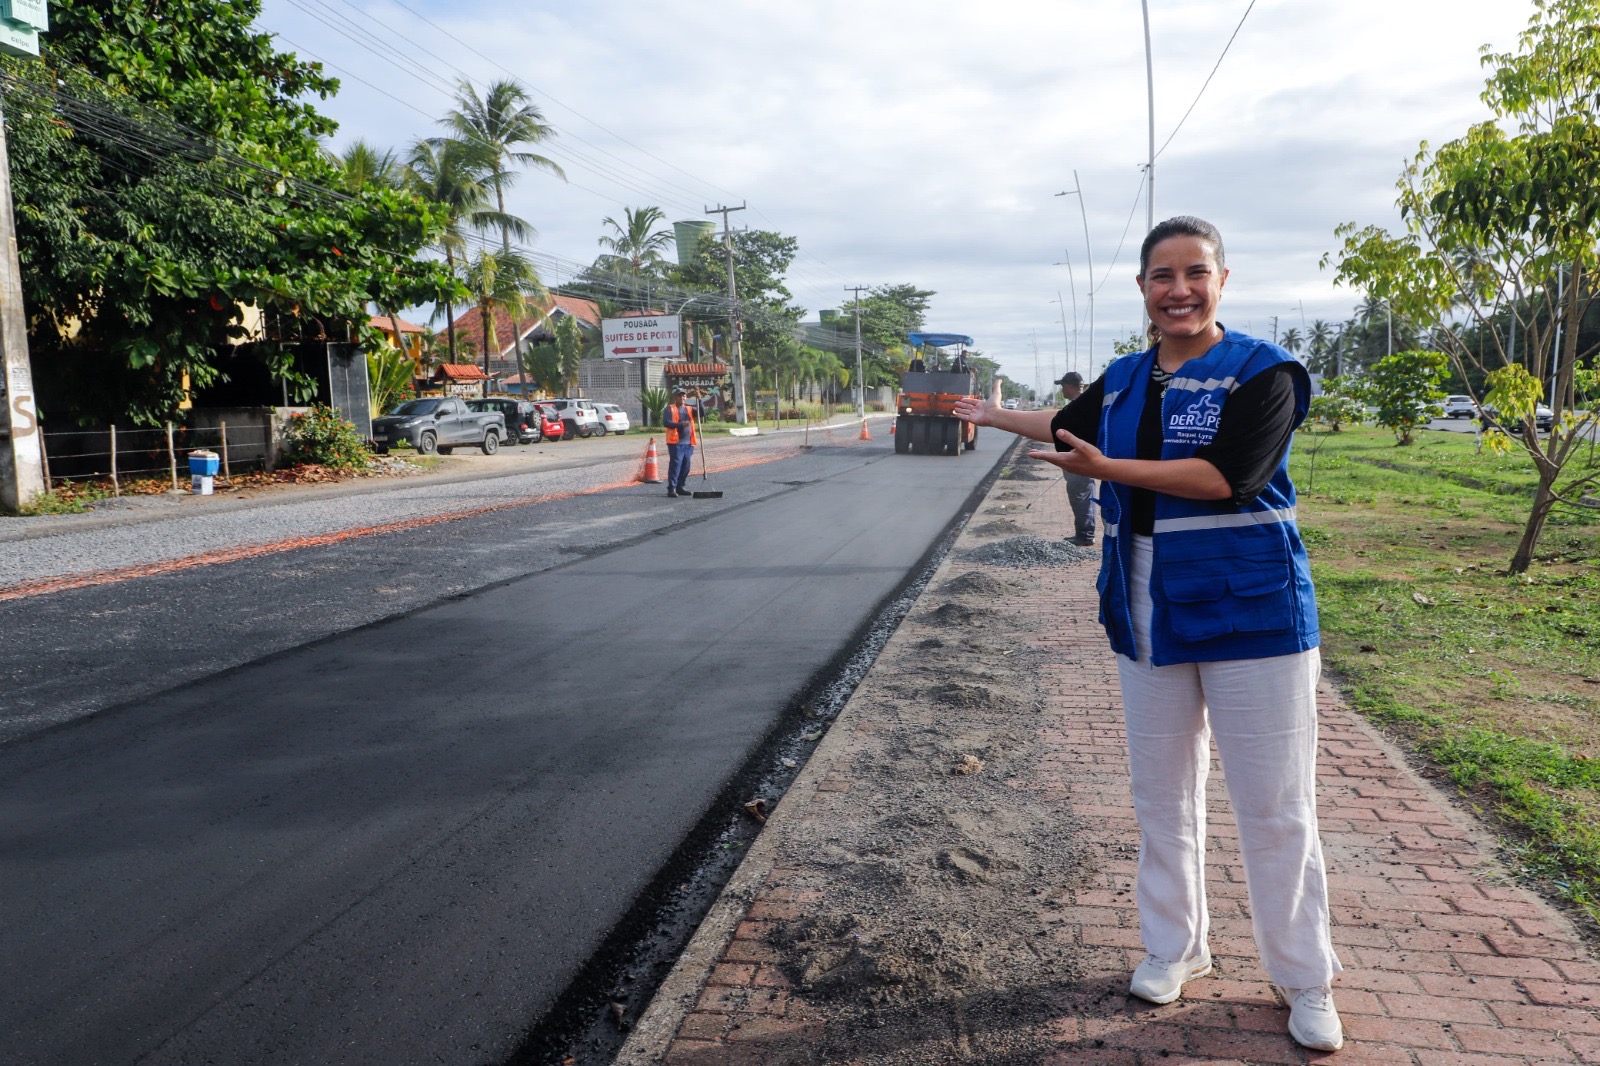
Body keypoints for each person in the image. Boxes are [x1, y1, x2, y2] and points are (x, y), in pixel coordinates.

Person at [952, 216, 1343, 1053]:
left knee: (1274, 807)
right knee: (1161, 796)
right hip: (1147, 609)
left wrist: (1106, 472)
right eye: (1161, 276)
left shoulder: (1262, 374)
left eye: (1195, 272)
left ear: (1222, 281)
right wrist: (992, 414)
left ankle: (1304, 976)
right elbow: (1069, 424)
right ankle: (1176, 947)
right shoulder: (1127, 377)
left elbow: (1226, 477)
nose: (1179, 290)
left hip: (1255, 613)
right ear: (1141, 289)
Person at [1057, 371, 1096, 546]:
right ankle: (1083, 533)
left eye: (1063, 386)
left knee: (1081, 496)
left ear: (1070, 386)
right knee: (1079, 496)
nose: (1061, 390)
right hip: (1076, 462)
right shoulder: (1083, 405)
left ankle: (1085, 535)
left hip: (1080, 463)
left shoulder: (1080, 407)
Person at [662, 388, 698, 498]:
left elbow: (702, 413)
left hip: (688, 442)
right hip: (675, 442)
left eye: (684, 396)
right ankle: (671, 488)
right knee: (675, 465)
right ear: (675, 397)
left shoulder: (689, 409)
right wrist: (681, 425)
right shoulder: (669, 409)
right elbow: (666, 423)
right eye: (680, 396)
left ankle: (680, 486)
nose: (682, 398)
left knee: (686, 466)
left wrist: (699, 399)